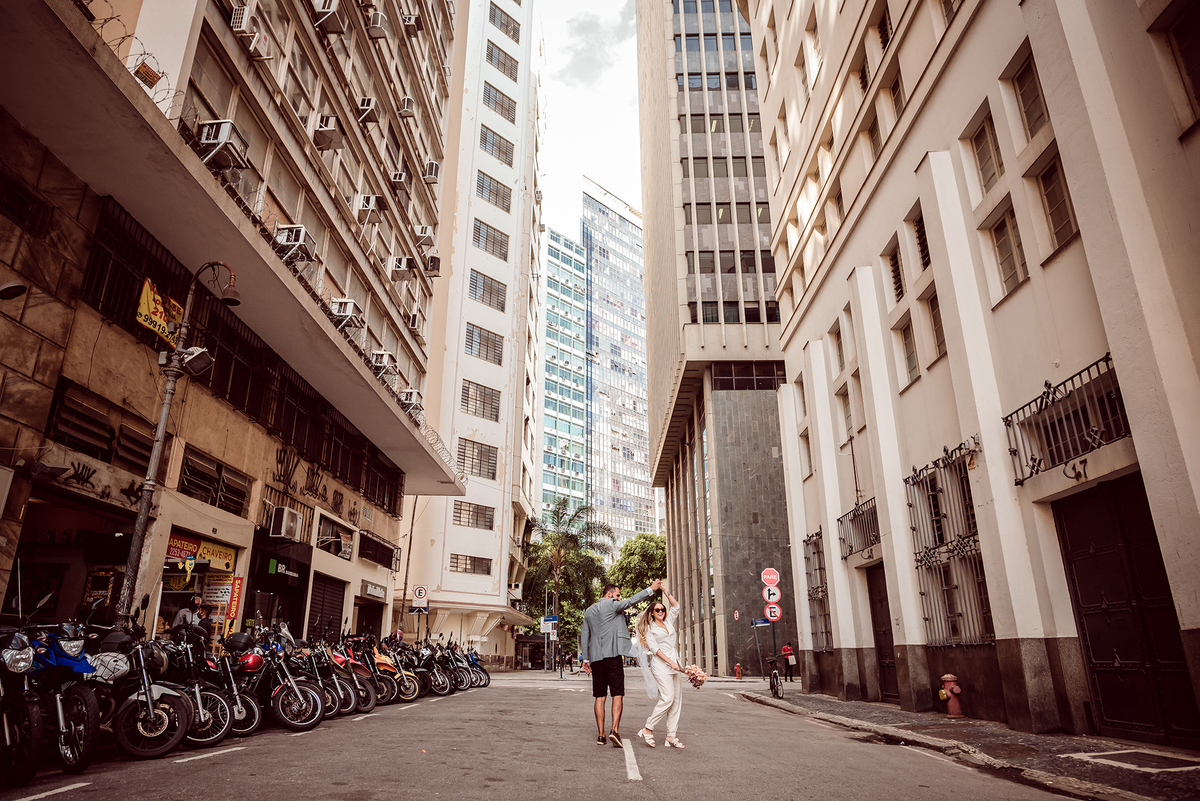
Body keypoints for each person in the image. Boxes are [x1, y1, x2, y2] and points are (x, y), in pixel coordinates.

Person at [580, 579, 662, 748]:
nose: (619, 599)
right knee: (617, 694)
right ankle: (614, 730)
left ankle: (601, 735)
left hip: (596, 659)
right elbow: (632, 600)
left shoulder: (589, 611)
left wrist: (586, 660)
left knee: (599, 696)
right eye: (617, 595)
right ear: (609, 594)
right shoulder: (612, 604)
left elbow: (585, 635)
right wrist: (651, 589)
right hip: (612, 656)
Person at [635, 588, 686, 749]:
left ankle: (671, 735)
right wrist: (670, 662)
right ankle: (648, 728)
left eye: (662, 609)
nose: (661, 612)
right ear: (652, 613)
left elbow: (676, 606)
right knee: (668, 698)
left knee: (676, 700)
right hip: (662, 666)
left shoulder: (669, 622)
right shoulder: (650, 628)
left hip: (675, 664)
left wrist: (664, 589)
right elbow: (655, 649)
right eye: (657, 610)